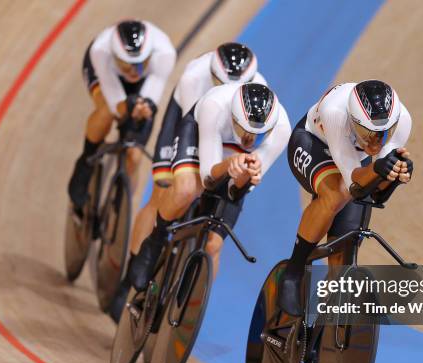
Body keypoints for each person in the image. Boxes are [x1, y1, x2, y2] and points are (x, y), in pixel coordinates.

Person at [110, 82, 291, 322]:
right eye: (244, 130)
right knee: (186, 189)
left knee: (213, 245)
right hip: (199, 136)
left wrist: (244, 176)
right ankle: (155, 239)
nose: (249, 139)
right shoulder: (214, 106)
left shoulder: (281, 131)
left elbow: (235, 193)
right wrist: (229, 165)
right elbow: (207, 178)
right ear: (234, 116)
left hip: (231, 160)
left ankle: (191, 309)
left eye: (258, 135)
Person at [128, 43, 266, 277]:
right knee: (165, 192)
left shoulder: (259, 90)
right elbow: (193, 132)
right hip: (189, 119)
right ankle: (130, 273)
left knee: (214, 240)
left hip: (224, 129)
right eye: (222, 84)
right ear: (212, 75)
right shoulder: (193, 78)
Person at [279, 80, 414, 316]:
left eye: (383, 135)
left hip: (353, 157)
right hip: (313, 142)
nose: (375, 143)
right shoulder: (335, 112)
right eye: (367, 134)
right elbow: (353, 183)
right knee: (334, 196)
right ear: (353, 121)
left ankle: (323, 327)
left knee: (344, 254)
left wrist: (395, 173)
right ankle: (294, 270)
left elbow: (375, 190)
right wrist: (380, 169)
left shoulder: (403, 121)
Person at [67, 19, 176, 215]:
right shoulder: (101, 51)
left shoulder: (165, 53)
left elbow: (151, 99)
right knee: (107, 112)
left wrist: (144, 109)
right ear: (116, 56)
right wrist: (128, 107)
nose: (133, 71)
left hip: (145, 81)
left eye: (139, 64)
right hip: (105, 75)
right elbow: (116, 104)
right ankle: (86, 158)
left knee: (134, 153)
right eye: (126, 65)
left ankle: (121, 206)